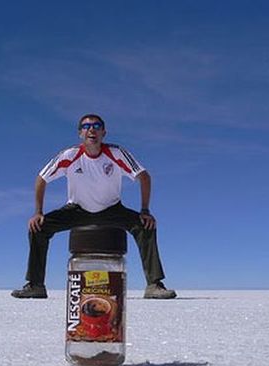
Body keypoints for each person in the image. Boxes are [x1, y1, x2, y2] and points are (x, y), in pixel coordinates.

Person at [12, 114, 176, 299]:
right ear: (80, 133)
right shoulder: (70, 155)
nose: (91, 129)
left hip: (112, 209)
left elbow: (144, 177)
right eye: (86, 126)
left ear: (103, 132)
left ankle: (154, 285)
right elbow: (41, 179)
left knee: (145, 226)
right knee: (38, 227)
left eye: (97, 126)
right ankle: (35, 285)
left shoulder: (116, 153)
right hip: (77, 210)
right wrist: (38, 212)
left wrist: (145, 210)